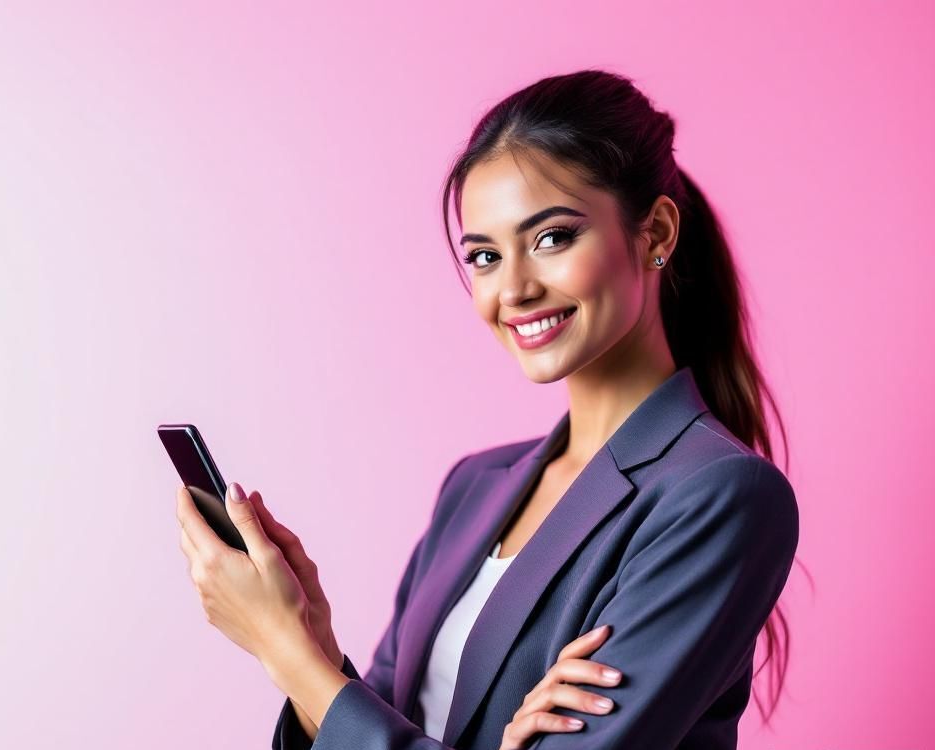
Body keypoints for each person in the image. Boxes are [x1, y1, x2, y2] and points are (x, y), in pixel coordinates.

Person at [174, 68, 800, 749]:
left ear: (654, 234)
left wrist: (282, 652)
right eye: (484, 256)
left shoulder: (718, 495)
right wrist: (314, 650)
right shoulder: (472, 487)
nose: (515, 289)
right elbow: (384, 722)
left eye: (553, 238)